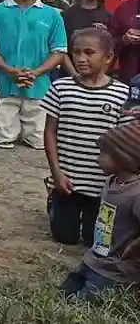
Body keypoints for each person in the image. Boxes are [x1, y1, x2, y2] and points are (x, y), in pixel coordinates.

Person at [42, 28, 133, 246]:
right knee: (65, 237)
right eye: (76, 52)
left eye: (89, 53)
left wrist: (117, 182)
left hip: (103, 186)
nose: (81, 58)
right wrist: (56, 173)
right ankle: (54, 200)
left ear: (108, 57)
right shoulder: (61, 88)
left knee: (96, 241)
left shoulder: (122, 94)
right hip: (67, 182)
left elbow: (124, 144)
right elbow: (50, 132)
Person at [0, 0, 69, 150]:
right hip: (4, 85)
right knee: (1, 138)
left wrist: (36, 73)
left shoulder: (52, 15)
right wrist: (8, 70)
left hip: (38, 87)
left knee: (39, 141)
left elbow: (59, 51)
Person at [59, 121, 140, 299]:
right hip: (95, 259)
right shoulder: (111, 182)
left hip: (117, 269)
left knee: (83, 303)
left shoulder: (136, 193)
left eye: (104, 153)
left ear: (123, 157)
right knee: (65, 292)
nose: (97, 158)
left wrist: (134, 248)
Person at [62, 0, 110, 76]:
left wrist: (100, 75)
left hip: (99, 76)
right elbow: (61, 49)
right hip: (69, 74)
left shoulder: (108, 17)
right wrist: (75, 76)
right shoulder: (66, 15)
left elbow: (110, 50)